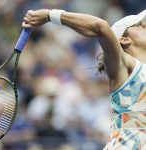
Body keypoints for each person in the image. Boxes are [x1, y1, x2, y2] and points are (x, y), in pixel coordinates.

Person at [22, 8, 146, 149]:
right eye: (140, 26)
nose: (145, 27)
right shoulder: (124, 63)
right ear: (124, 39)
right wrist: (50, 15)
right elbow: (101, 27)